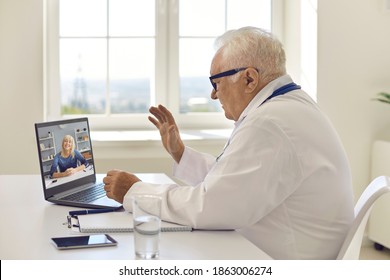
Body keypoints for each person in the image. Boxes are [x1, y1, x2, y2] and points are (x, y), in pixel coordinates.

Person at [103, 26, 354, 259]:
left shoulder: (269, 123)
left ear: (249, 79)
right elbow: (233, 184)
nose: (213, 94)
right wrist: (180, 153)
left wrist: (135, 192)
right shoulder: (288, 107)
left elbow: (211, 207)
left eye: (216, 82)